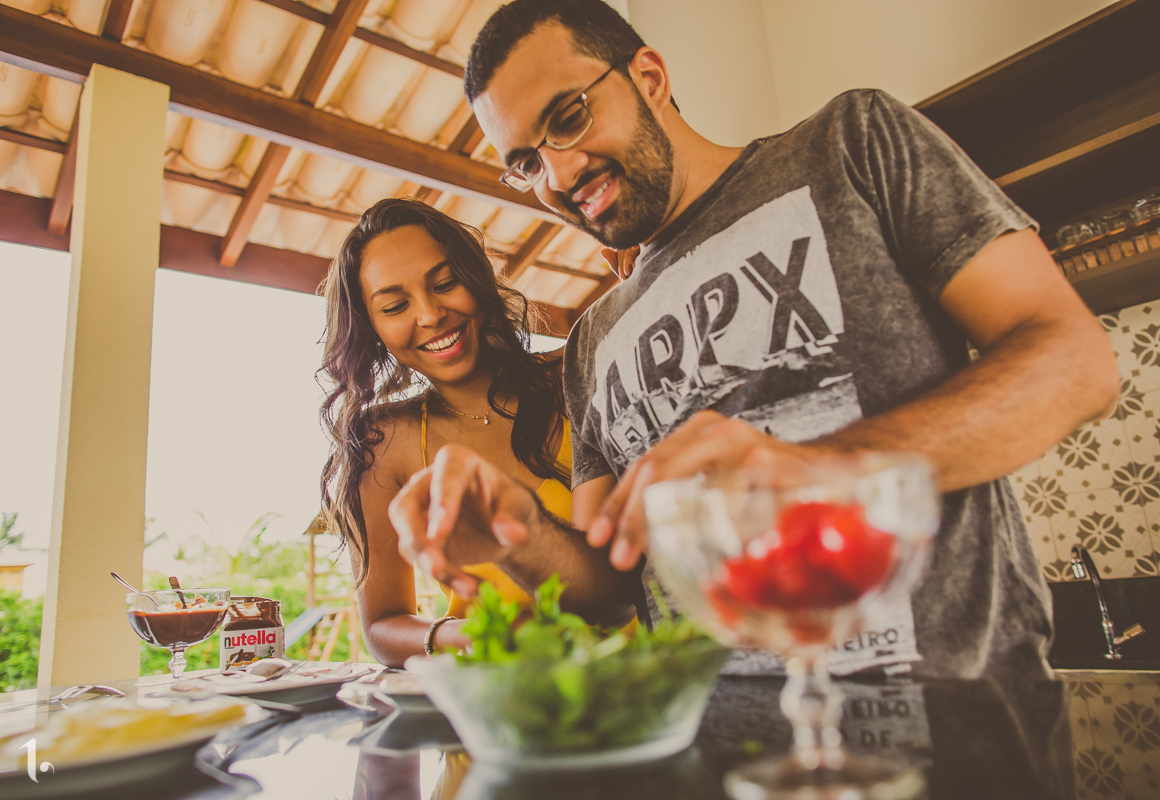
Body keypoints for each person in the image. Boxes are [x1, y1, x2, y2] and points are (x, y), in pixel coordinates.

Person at [389, 0, 1120, 678]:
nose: (558, 174)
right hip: (709, 763)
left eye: (571, 117)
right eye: (525, 163)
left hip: (947, 752)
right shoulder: (591, 344)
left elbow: (1074, 359)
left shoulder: (850, 144)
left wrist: (813, 470)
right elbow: (616, 592)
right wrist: (521, 532)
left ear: (649, 77)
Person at [318, 197, 634, 666]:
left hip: (639, 687)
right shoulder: (384, 441)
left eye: (445, 283)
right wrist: (488, 637)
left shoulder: (578, 372)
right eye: (396, 305)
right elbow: (383, 625)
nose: (429, 314)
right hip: (493, 704)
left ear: (477, 278)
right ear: (372, 328)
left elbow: (614, 595)